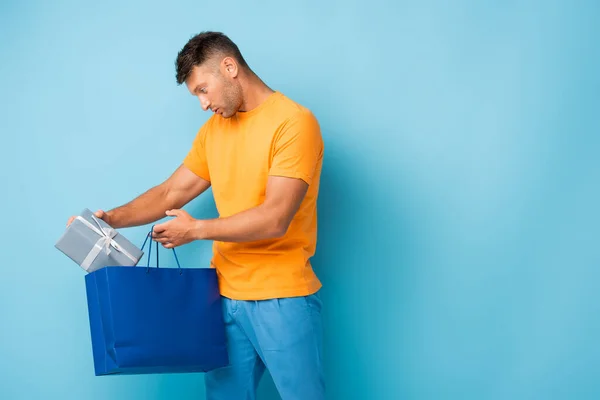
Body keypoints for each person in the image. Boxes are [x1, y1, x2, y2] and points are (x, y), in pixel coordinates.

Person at [67, 31, 325, 399]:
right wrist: (109, 220)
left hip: (282, 298)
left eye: (204, 90)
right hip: (223, 298)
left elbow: (275, 217)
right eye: (196, 95)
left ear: (230, 67)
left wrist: (197, 229)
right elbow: (170, 192)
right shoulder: (214, 131)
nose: (203, 104)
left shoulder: (293, 123)